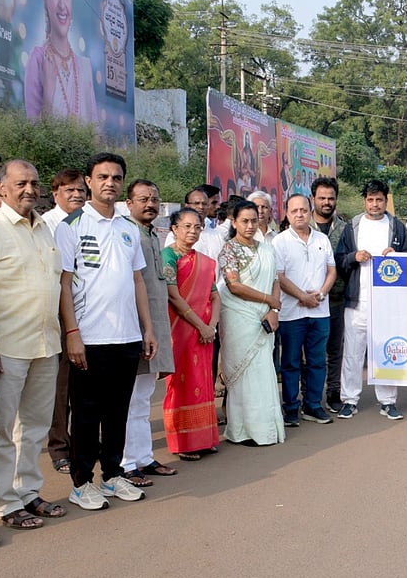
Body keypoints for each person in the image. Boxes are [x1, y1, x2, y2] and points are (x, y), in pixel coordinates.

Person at [0, 160, 66, 530]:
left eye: (34, 183)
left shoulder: (44, 229)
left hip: (45, 344)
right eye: (20, 183)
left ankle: (28, 492)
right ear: (2, 188)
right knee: (0, 429)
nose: (29, 189)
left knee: (36, 426)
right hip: (3, 346)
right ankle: (6, 503)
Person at [55, 152, 158, 510]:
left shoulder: (129, 229)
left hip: (127, 338)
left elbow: (138, 282)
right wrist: (72, 332)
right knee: (85, 415)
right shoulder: (70, 227)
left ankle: (113, 476)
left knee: (118, 412)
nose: (109, 183)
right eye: (102, 177)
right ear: (89, 181)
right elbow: (64, 284)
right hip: (90, 339)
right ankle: (82, 483)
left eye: (116, 177)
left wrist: (147, 328)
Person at [335, 179, 407, 420]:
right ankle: (349, 400)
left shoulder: (397, 227)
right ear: (364, 201)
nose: (375, 204)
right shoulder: (352, 227)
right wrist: (353, 257)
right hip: (357, 300)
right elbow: (338, 260)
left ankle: (388, 401)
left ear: (386, 200)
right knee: (352, 353)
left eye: (379, 199)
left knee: (386, 351)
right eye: (370, 199)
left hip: (386, 305)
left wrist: (397, 256)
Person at [121, 180, 178, 482]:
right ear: (128, 203)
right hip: (136, 328)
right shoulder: (126, 234)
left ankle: (144, 457)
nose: (150, 204)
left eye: (154, 199)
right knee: (130, 399)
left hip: (154, 326)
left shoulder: (154, 234)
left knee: (143, 397)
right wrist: (144, 329)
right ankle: (128, 463)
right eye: (143, 199)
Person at [218, 199, 285, 446]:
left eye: (253, 221)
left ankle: (265, 429)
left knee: (263, 371)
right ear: (233, 222)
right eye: (244, 221)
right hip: (238, 315)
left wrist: (273, 308)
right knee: (243, 373)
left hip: (265, 314)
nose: (249, 226)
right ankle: (241, 430)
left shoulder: (267, 249)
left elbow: (275, 280)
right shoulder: (228, 250)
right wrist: (268, 300)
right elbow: (234, 285)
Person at [162, 208, 222, 459]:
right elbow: (173, 295)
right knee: (181, 383)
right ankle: (184, 442)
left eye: (197, 227)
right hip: (181, 330)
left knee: (202, 381)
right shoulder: (168, 256)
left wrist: (212, 326)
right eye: (186, 226)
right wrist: (201, 325)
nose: (192, 232)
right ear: (175, 229)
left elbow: (215, 295)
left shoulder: (204, 261)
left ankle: (204, 437)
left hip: (204, 332)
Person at [273, 193, 337, 427]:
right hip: (291, 313)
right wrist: (302, 296)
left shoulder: (322, 239)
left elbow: (332, 270)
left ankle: (313, 404)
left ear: (310, 212)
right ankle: (290, 407)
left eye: (303, 210)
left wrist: (320, 294)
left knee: (317, 361)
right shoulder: (279, 241)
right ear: (287, 214)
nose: (299, 214)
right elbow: (278, 276)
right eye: (294, 211)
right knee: (290, 362)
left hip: (320, 312)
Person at [42, 169, 87, 473]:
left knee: (84, 384)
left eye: (81, 190)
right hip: (57, 315)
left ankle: (83, 443)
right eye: (69, 190)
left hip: (90, 315)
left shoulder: (92, 222)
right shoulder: (47, 224)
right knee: (59, 387)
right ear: (56, 192)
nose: (76, 195)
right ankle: (59, 447)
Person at [24, 0, 97, 124]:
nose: (62, 5)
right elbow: (33, 136)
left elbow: (96, 137)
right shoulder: (38, 59)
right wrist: (49, 90)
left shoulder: (85, 67)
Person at [311, 177, 348, 412]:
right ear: (313, 199)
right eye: (322, 198)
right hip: (306, 301)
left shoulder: (345, 229)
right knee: (310, 353)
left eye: (331, 198)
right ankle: (309, 396)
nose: (326, 202)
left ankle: (334, 392)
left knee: (335, 350)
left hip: (336, 299)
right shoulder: (299, 226)